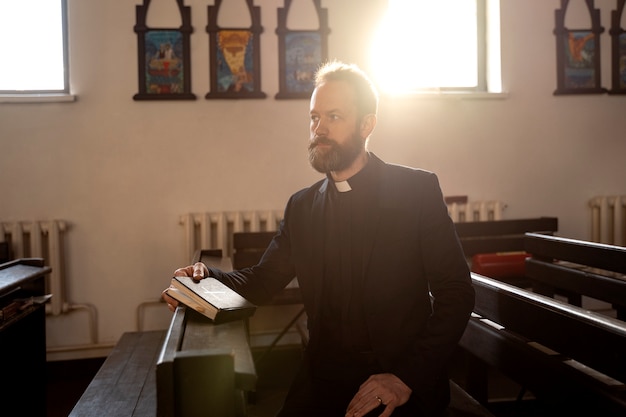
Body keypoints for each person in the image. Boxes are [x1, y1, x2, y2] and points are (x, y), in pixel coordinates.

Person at [162, 60, 475, 417]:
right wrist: (203, 279)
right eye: (314, 117)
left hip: (397, 378)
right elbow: (263, 281)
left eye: (334, 117)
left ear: (367, 124)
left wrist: (405, 378)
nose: (319, 129)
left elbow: (456, 294)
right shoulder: (303, 206)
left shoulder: (415, 191)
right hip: (324, 376)